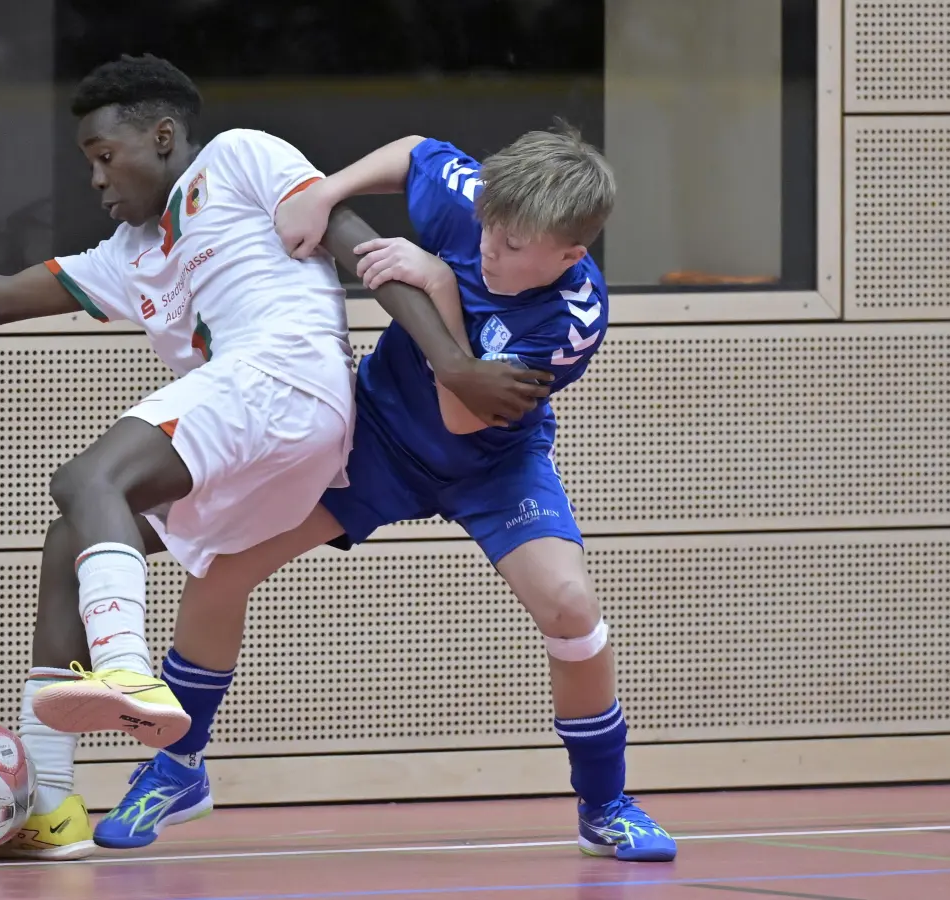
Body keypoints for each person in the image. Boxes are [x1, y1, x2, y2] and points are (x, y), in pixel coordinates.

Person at [0, 54, 549, 861]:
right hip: (266, 455)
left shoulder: (240, 157)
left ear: (162, 136)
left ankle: (128, 672)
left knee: (88, 478)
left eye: (105, 156)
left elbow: (357, 241)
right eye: (87, 164)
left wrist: (451, 362)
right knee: (74, 534)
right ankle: (54, 805)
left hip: (286, 382)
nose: (96, 179)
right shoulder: (127, 255)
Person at [83, 125, 679, 863]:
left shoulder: (570, 320)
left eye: (516, 244)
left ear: (570, 254)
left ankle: (605, 804)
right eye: (490, 225)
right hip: (373, 439)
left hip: (493, 464)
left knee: (572, 608)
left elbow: (467, 410)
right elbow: (414, 151)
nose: (492, 245)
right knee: (219, 570)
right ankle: (177, 767)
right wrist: (327, 192)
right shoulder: (477, 205)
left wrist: (437, 281)